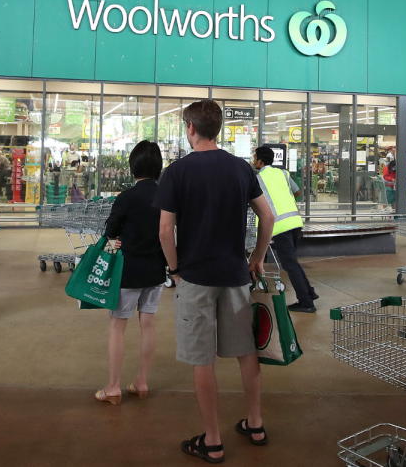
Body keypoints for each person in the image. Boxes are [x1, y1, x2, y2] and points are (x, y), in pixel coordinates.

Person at [154, 100, 274, 463]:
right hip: (236, 275)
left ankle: (213, 440)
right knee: (245, 352)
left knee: (202, 359)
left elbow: (164, 230)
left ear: (191, 127)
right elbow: (267, 217)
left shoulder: (177, 172)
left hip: (195, 276)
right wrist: (257, 258)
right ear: (217, 128)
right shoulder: (241, 168)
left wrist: (175, 270)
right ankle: (255, 424)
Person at [95, 141, 168, 405]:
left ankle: (113, 387)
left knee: (118, 327)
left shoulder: (126, 197)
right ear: (158, 167)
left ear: (132, 167)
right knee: (148, 325)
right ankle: (141, 381)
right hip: (156, 271)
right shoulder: (166, 196)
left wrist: (117, 236)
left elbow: (110, 230)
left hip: (128, 271)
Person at [253, 146, 319, 313]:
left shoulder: (258, 179)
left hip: (280, 225)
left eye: (255, 158)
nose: (254, 161)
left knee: (290, 265)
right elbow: (296, 191)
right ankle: (309, 293)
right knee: (293, 263)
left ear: (260, 161)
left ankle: (306, 303)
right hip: (295, 222)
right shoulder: (283, 173)